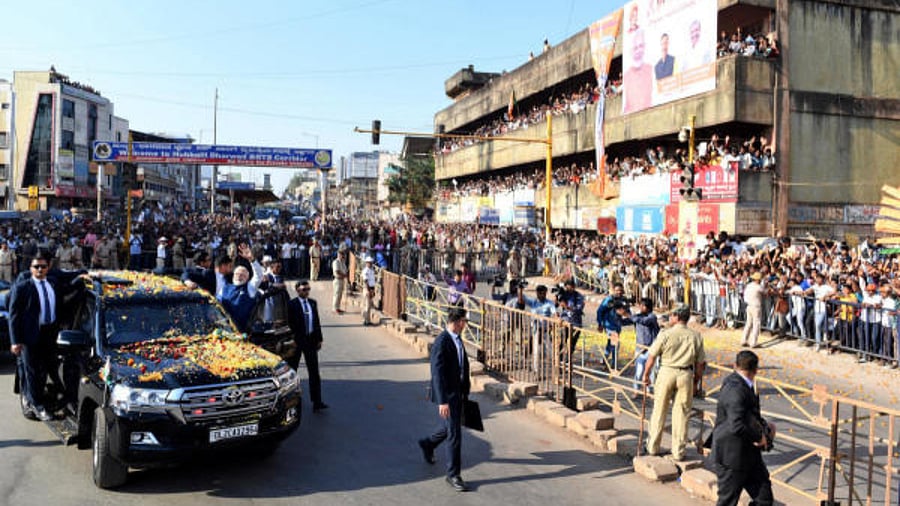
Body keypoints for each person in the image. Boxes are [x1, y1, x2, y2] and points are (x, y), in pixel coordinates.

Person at [8, 252, 84, 421]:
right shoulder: (23, 287)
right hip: (30, 336)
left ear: (48, 267)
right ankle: (37, 405)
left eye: (43, 266)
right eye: (36, 267)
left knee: (46, 369)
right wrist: (15, 341)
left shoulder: (53, 283)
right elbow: (14, 316)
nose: (40, 270)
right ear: (31, 269)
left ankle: (50, 400)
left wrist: (83, 278)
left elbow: (69, 289)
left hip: (50, 334)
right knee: (33, 372)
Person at [642, 303, 706, 461]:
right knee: (682, 414)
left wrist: (646, 375)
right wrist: (696, 382)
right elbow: (700, 364)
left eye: (671, 315)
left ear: (677, 317)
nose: (670, 318)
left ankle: (653, 447)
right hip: (685, 374)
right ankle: (678, 451)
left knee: (659, 410)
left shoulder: (665, 334)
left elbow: (651, 357)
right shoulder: (695, 336)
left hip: (666, 372)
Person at [418, 307, 472, 492]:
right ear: (458, 322)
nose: (466, 325)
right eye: (465, 321)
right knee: (455, 434)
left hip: (458, 392)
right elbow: (437, 373)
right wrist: (442, 401)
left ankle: (428, 443)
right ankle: (453, 474)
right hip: (448, 395)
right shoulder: (442, 342)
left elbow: (462, 364)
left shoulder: (457, 339)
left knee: (452, 426)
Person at [711, 350, 774, 506]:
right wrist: (759, 437)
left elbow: (748, 416)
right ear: (756, 370)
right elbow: (736, 425)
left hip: (749, 456)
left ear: (735, 365)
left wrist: (764, 427)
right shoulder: (735, 389)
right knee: (727, 501)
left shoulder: (742, 385)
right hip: (731, 457)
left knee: (764, 499)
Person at [287, 280, 328, 412]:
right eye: (303, 289)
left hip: (311, 341)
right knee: (292, 371)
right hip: (297, 341)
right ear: (298, 291)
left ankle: (317, 401)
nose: (306, 292)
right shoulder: (291, 304)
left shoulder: (312, 303)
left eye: (308, 289)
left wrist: (319, 339)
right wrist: (291, 339)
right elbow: (288, 324)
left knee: (314, 372)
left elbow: (316, 322)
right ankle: (289, 400)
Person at [218, 244, 264, 332]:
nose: (239, 276)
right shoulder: (224, 289)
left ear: (247, 278)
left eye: (242, 275)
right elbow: (216, 304)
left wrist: (252, 260)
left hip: (244, 331)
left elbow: (258, 275)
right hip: (226, 330)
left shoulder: (250, 288)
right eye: (237, 274)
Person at [623, 297, 660, 391]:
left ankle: (650, 391)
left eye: (642, 306)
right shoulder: (638, 316)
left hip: (650, 350)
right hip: (640, 349)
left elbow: (644, 321)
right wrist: (617, 315)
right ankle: (636, 390)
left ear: (648, 307)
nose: (640, 307)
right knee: (639, 372)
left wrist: (628, 315)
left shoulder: (652, 317)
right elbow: (626, 322)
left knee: (651, 373)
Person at [623, 28, 653, 114]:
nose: (638, 51)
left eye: (641, 46)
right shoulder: (627, 76)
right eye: (635, 48)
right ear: (631, 50)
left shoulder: (651, 70)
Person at [557, 278, 585, 354]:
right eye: (567, 287)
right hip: (565, 322)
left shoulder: (579, 296)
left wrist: (567, 307)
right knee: (562, 341)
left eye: (571, 286)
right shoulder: (563, 294)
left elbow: (579, 309)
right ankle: (558, 360)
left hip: (576, 323)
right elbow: (555, 305)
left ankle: (568, 361)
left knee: (572, 344)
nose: (569, 288)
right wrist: (557, 297)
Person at [741, 272, 764, 347]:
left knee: (748, 323)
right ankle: (753, 342)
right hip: (756, 306)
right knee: (756, 324)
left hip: (749, 305)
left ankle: (744, 339)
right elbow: (765, 292)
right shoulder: (758, 287)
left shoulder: (749, 285)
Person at [331, 247, 349, 313]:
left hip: (342, 280)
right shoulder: (336, 262)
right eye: (341, 254)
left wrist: (345, 275)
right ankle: (334, 308)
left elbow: (345, 270)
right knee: (336, 294)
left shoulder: (343, 262)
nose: (342, 255)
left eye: (343, 254)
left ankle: (338, 307)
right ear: (338, 254)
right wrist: (344, 275)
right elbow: (337, 271)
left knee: (340, 295)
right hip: (337, 279)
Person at [361, 256, 377, 326]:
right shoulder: (365, 271)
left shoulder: (372, 270)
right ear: (366, 263)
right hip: (367, 288)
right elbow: (365, 281)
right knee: (367, 305)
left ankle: (368, 320)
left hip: (371, 288)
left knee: (369, 305)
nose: (370, 264)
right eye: (369, 263)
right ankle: (365, 320)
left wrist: (373, 290)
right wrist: (369, 290)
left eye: (371, 263)